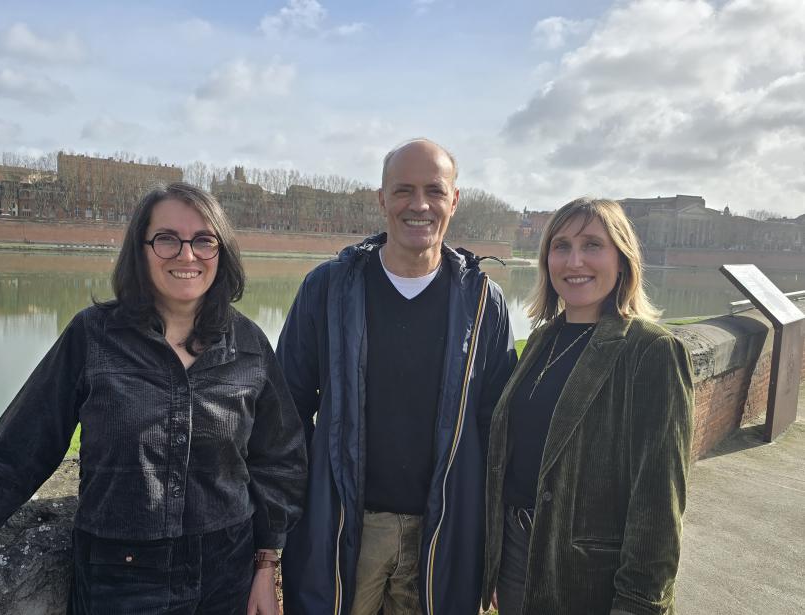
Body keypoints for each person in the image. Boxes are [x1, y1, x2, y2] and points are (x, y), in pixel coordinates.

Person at [0, 183, 307, 615]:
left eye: (204, 240)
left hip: (225, 576)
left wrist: (264, 565)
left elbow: (279, 459)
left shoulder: (249, 345)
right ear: (140, 250)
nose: (187, 254)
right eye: (167, 239)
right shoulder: (94, 336)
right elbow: (24, 442)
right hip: (119, 579)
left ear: (222, 251)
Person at [276, 138, 517, 615]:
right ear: (382, 199)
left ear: (454, 199)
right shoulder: (327, 288)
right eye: (404, 190)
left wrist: (494, 547)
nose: (419, 204)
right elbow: (285, 415)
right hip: (346, 527)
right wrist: (280, 530)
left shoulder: (483, 301)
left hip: (442, 532)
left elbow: (497, 432)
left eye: (434, 189)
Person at [481, 198, 694, 615]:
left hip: (587, 578)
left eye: (592, 245)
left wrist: (638, 603)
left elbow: (659, 502)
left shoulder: (651, 352)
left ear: (622, 259)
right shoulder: (543, 340)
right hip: (516, 556)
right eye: (561, 246)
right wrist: (497, 561)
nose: (574, 260)